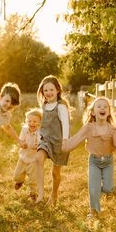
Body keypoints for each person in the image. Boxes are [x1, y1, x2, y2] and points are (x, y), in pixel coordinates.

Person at [62, 96, 116, 217]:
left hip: (108, 163)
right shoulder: (89, 128)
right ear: (93, 112)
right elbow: (76, 139)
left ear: (109, 112)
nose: (102, 108)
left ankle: (100, 189)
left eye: (105, 106)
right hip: (94, 161)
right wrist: (64, 146)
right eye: (99, 106)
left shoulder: (112, 130)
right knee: (93, 189)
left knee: (109, 189)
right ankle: (94, 212)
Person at [35, 75, 71, 205]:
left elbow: (66, 124)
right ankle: (40, 193)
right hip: (46, 140)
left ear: (57, 90)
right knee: (38, 159)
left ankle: (54, 194)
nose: (48, 93)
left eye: (51, 90)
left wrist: (65, 140)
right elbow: (43, 124)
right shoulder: (44, 106)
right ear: (42, 92)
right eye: (45, 90)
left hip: (59, 142)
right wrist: (39, 137)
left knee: (55, 173)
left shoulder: (61, 106)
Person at [13, 108, 42, 201]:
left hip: (33, 159)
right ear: (26, 121)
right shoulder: (24, 129)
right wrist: (22, 144)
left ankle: (33, 193)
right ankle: (19, 181)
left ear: (39, 122)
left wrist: (37, 145)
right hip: (23, 157)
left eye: (35, 121)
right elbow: (21, 140)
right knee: (17, 175)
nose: (32, 123)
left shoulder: (40, 132)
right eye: (29, 121)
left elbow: (40, 142)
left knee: (33, 178)